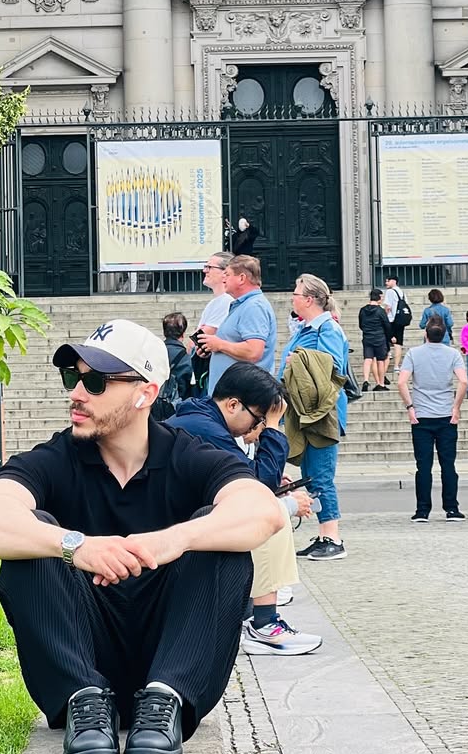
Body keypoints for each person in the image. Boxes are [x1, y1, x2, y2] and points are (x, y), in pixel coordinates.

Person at [0, 319, 281, 754]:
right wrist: (75, 546)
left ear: (145, 393)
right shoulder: (57, 458)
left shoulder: (187, 454)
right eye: (73, 378)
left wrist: (174, 539)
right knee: (33, 541)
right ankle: (84, 700)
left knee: (220, 540)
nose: (77, 394)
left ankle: (166, 699)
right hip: (83, 660)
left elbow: (263, 511)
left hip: (176, 656)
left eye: (95, 382)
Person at [167, 362, 322, 656]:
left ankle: (256, 615)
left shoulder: (200, 420)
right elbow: (258, 484)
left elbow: (246, 476)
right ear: (233, 405)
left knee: (266, 506)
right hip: (173, 532)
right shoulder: (206, 430)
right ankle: (263, 623)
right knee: (268, 511)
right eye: (258, 419)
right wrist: (273, 428)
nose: (256, 428)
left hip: (178, 522)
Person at [280, 274, 350, 561]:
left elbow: (333, 367)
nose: (292, 297)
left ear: (309, 299)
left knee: (321, 475)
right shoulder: (308, 328)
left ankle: (333, 537)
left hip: (322, 413)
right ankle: (324, 535)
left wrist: (297, 360)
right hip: (307, 412)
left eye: (296, 293)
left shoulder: (327, 328)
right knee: (311, 475)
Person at [398, 319, 468, 521]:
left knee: (423, 466)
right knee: (448, 465)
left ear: (425, 334)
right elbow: (464, 381)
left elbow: (401, 382)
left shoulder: (414, 353)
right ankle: (452, 508)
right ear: (444, 335)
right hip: (446, 414)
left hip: (421, 415)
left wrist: (410, 406)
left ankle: (422, 510)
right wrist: (456, 406)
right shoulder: (453, 354)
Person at [197, 254, 277, 395]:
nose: (223, 278)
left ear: (241, 278)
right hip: (232, 394)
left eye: (227, 274)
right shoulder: (243, 305)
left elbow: (253, 352)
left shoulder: (254, 306)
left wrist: (219, 345)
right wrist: (212, 348)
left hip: (242, 395)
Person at [193, 250, 233, 393]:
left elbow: (203, 336)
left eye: (209, 267)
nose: (205, 270)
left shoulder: (226, 301)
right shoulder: (215, 302)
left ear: (224, 273)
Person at [157, 311, 193, 418]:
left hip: (154, 408)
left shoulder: (154, 352)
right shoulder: (186, 358)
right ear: (183, 333)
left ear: (164, 332)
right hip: (177, 411)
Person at [358, 288, 391, 390]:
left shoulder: (363, 310)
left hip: (367, 337)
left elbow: (361, 324)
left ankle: (366, 380)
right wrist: (389, 336)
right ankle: (381, 383)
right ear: (379, 297)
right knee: (380, 361)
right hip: (379, 337)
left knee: (368, 359)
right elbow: (387, 325)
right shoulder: (380, 311)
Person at [382, 274, 411, 373]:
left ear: (393, 281)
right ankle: (396, 366)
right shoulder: (401, 291)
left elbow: (388, 307)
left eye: (388, 281)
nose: (386, 283)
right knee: (398, 343)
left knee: (387, 339)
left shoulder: (390, 291)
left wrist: (384, 316)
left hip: (391, 319)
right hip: (400, 320)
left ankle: (388, 355)